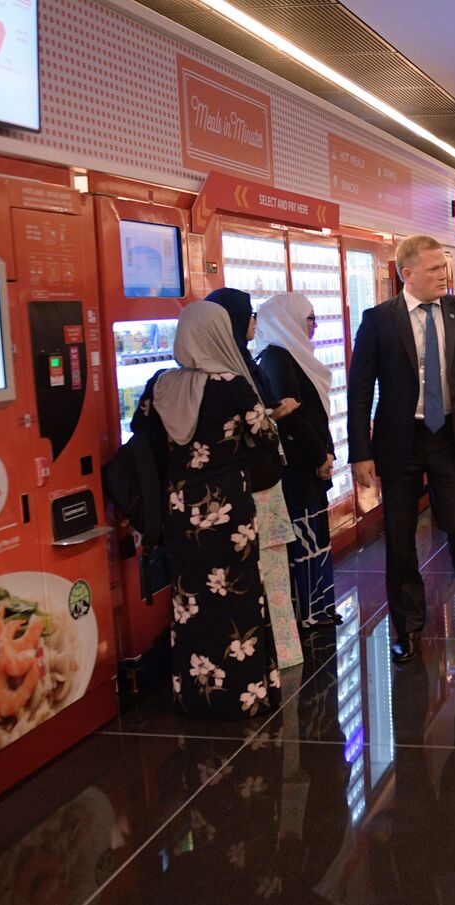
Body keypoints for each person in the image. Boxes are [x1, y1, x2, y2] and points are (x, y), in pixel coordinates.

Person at [350, 235, 455, 664]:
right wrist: (360, 452)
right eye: (436, 268)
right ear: (408, 274)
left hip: (451, 437)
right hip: (399, 441)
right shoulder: (379, 320)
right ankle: (409, 625)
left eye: (446, 267)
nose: (446, 274)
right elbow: (360, 389)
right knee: (400, 540)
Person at [138, 300, 282, 719]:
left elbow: (142, 434)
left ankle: (193, 693)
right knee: (239, 598)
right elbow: (264, 439)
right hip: (229, 510)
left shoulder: (159, 384)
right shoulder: (233, 385)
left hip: (180, 511)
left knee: (189, 601)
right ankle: (246, 693)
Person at [206, 288, 302, 668]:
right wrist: (274, 415)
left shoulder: (227, 366)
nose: (254, 323)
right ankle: (279, 651)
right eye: (248, 316)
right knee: (271, 572)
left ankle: (254, 653)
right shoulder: (237, 374)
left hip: (220, 499)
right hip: (256, 487)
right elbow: (256, 427)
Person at [253, 292, 340, 626]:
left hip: (311, 460)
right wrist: (320, 455)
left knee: (314, 534)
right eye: (309, 319)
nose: (314, 326)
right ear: (287, 320)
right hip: (299, 465)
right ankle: (309, 612)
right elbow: (292, 415)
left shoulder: (293, 354)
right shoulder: (278, 358)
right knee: (305, 536)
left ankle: (318, 608)